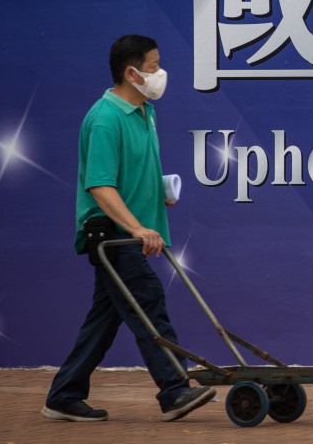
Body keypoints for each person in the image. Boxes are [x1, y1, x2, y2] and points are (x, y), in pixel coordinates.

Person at [42, 35, 215, 423]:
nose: (160, 72)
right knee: (148, 301)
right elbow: (100, 186)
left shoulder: (143, 112)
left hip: (129, 233)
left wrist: (159, 191)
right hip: (114, 236)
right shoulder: (105, 119)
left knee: (105, 320)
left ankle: (64, 394)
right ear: (131, 72)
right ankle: (174, 390)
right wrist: (138, 227)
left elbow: (128, 174)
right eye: (154, 66)